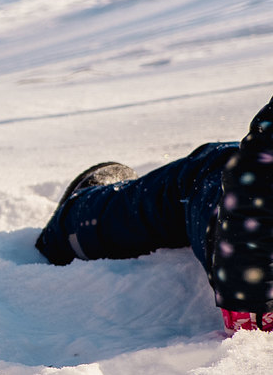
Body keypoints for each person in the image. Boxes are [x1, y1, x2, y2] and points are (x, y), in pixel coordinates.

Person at [37, 92, 271, 333]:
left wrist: (252, 295)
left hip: (258, 296)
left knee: (206, 170)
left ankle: (73, 229)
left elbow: (254, 182)